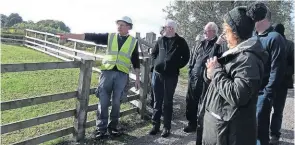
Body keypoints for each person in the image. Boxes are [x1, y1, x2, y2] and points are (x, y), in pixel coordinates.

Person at [58, 16, 140, 139]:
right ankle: (101, 129)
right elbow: (90, 36)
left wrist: (138, 78)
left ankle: (113, 127)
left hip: (122, 75)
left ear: (129, 26)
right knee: (103, 101)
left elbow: (135, 61)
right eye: (118, 24)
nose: (119, 26)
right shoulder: (110, 37)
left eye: (122, 24)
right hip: (107, 73)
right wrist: (68, 35)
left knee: (117, 102)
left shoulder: (133, 42)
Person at [201, 6, 268, 145]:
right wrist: (209, 74)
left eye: (227, 32)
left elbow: (239, 95)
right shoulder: (234, 52)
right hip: (221, 128)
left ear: (236, 33)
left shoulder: (248, 59)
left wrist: (216, 72)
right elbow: (218, 80)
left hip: (230, 133)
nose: (224, 37)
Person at [247, 3, 286, 145]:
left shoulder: (275, 38)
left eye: (253, 19)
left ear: (261, 19)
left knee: (259, 127)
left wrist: (268, 93)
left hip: (263, 92)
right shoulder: (252, 37)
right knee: (248, 126)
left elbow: (277, 70)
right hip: (248, 89)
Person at [149, 19, 190, 137]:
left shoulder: (181, 41)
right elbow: (153, 54)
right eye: (168, 27)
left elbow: (186, 57)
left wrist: (177, 66)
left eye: (172, 27)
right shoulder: (160, 40)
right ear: (165, 28)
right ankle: (155, 125)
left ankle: (166, 127)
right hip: (157, 75)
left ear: (175, 29)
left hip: (171, 76)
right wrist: (154, 65)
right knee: (157, 101)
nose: (170, 29)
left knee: (167, 101)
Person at [184, 22, 219, 133]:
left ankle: (203, 127)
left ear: (213, 32)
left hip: (207, 80)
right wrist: (190, 72)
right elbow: (193, 58)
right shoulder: (200, 43)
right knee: (191, 101)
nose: (204, 32)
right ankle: (192, 124)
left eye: (207, 31)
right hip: (194, 78)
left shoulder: (218, 45)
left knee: (205, 104)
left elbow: (212, 58)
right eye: (204, 30)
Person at [269, 23, 294, 145]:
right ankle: (272, 134)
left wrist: (279, 73)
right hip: (272, 82)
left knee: (274, 110)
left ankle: (273, 134)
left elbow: (292, 65)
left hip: (279, 83)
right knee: (273, 110)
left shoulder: (289, 45)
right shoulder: (271, 42)